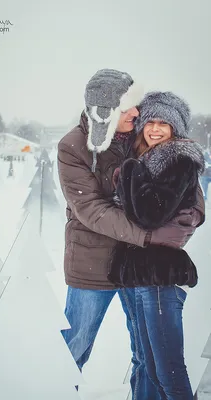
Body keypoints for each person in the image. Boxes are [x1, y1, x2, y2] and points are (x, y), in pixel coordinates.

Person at [57, 69, 205, 399]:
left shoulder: (141, 141)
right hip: (92, 262)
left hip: (136, 267)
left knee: (146, 354)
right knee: (74, 347)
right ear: (107, 112)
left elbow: (187, 197)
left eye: (136, 107)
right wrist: (149, 237)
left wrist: (185, 222)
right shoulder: (74, 146)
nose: (137, 115)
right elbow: (90, 208)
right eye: (128, 109)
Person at [109, 91, 205, 399]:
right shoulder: (145, 158)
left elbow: (150, 213)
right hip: (140, 276)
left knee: (169, 371)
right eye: (150, 121)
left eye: (164, 123)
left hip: (160, 279)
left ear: (175, 128)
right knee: (151, 368)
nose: (155, 129)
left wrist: (128, 173)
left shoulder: (179, 159)